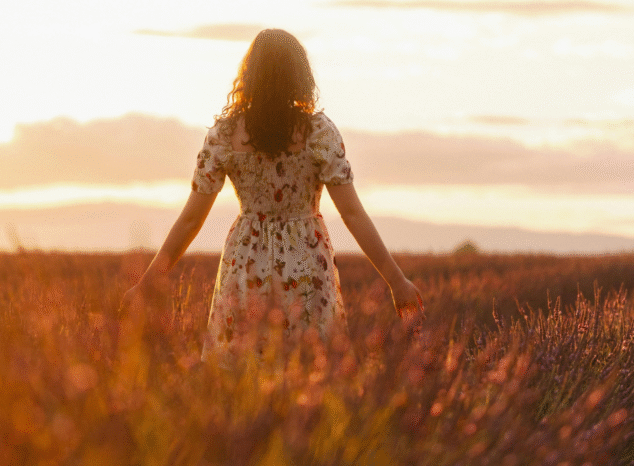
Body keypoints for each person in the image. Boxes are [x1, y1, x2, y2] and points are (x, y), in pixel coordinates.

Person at [124, 29, 424, 368]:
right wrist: (396, 282)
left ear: (248, 75)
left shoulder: (223, 135)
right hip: (307, 262)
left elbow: (191, 219)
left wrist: (148, 284)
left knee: (240, 372)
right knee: (311, 370)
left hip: (245, 261)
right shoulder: (319, 132)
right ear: (301, 75)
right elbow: (353, 214)